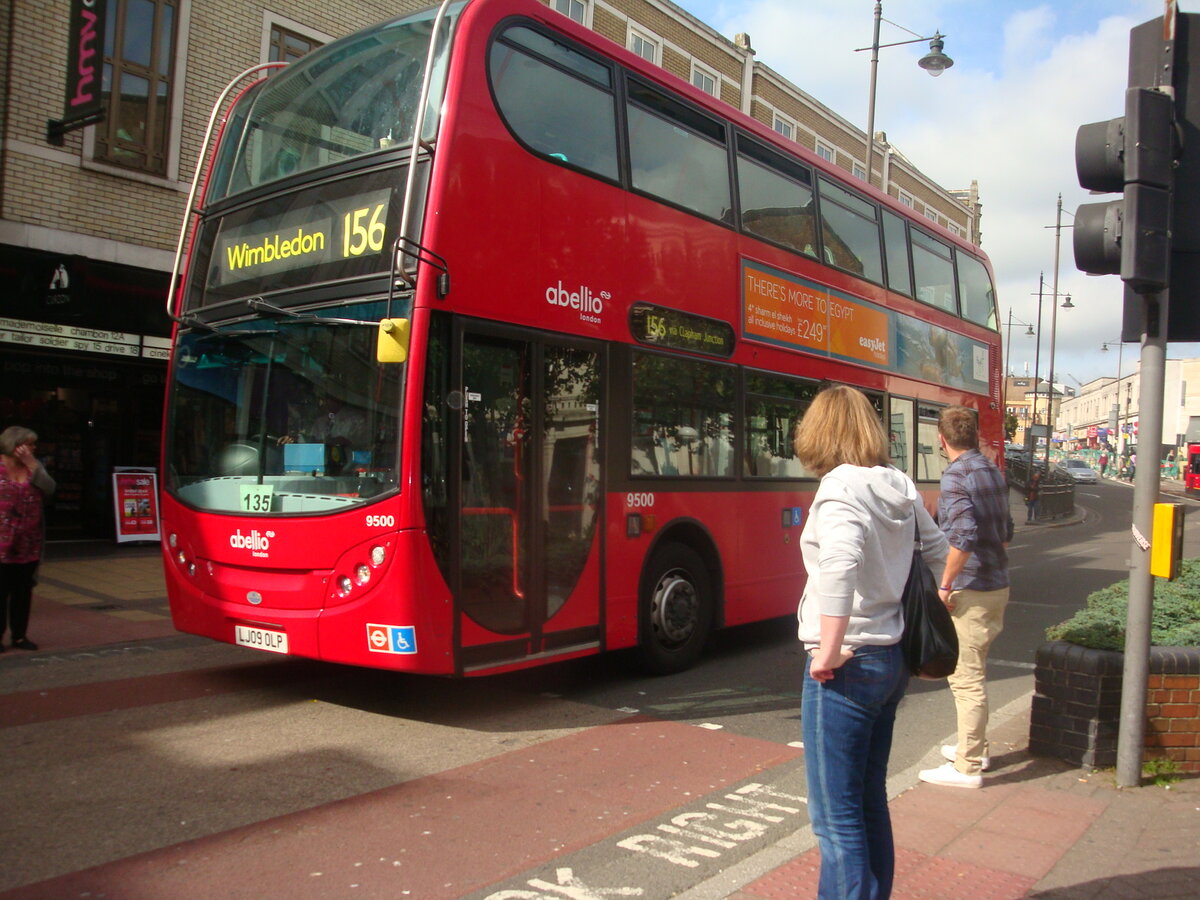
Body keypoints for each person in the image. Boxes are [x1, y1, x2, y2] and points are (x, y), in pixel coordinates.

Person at [794, 386, 948, 899]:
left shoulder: (839, 488)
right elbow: (941, 550)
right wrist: (938, 598)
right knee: (867, 802)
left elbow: (839, 565)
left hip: (849, 665)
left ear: (819, 433)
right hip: (890, 658)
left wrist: (830, 647)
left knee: (835, 822)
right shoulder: (898, 484)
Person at [918, 407, 1013, 789]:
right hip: (997, 583)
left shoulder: (956, 475)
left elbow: (963, 537)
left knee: (966, 679)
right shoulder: (992, 470)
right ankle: (976, 748)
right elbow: (1004, 531)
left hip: (970, 590)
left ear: (941, 440)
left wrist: (944, 585)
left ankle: (968, 766)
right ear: (973, 435)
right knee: (977, 670)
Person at [0, 426, 56, 651]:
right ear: (15, 445)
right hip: (2, 543)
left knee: (22, 592)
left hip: (28, 543)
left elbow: (50, 488)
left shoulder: (34, 468)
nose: (34, 448)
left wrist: (33, 463)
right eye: (30, 444)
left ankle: (19, 636)